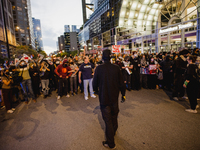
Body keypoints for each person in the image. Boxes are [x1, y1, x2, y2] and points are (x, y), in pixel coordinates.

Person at [93, 49, 126, 149]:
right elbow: (122, 83)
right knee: (114, 117)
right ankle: (113, 133)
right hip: (114, 98)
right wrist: (123, 95)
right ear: (111, 57)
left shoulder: (99, 68)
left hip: (104, 98)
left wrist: (96, 91)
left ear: (102, 57)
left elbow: (94, 84)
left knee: (108, 121)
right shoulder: (116, 68)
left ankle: (110, 143)